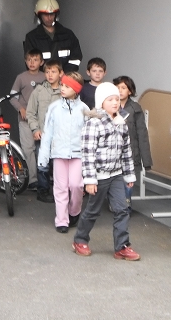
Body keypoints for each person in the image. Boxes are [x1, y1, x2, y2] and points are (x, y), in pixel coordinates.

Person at [72, 82, 140, 261]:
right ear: (101, 102)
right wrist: (90, 180)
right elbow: (87, 153)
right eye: (110, 99)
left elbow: (126, 151)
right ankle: (80, 240)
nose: (115, 102)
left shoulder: (121, 122)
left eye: (117, 99)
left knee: (122, 210)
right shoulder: (94, 123)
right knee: (93, 211)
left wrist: (129, 174)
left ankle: (122, 247)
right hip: (99, 175)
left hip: (116, 174)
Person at [38, 72, 88, 233]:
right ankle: (61, 220)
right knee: (60, 187)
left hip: (78, 154)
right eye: (62, 85)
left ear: (76, 89)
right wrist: (43, 157)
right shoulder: (54, 108)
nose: (62, 88)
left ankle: (74, 211)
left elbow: (88, 135)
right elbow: (47, 133)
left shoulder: (84, 109)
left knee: (76, 185)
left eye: (67, 86)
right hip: (59, 153)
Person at [26, 58, 63, 203]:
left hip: (60, 136)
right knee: (43, 164)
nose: (50, 75)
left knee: (58, 165)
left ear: (61, 73)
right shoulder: (39, 90)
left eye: (53, 72)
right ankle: (42, 191)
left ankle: (60, 191)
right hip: (42, 135)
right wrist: (35, 129)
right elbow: (30, 112)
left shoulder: (65, 91)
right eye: (47, 72)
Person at [114, 75, 153, 208]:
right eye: (117, 87)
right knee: (115, 180)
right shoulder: (109, 105)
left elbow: (142, 134)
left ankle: (126, 204)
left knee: (128, 180)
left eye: (123, 88)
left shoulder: (135, 108)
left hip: (131, 152)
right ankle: (117, 202)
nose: (120, 90)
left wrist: (146, 160)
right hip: (113, 151)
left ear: (130, 91)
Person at [9, 49, 45, 191]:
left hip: (43, 120)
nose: (32, 62)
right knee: (28, 149)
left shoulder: (46, 76)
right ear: (25, 61)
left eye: (35, 60)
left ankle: (45, 179)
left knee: (43, 149)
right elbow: (12, 97)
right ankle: (32, 180)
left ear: (41, 62)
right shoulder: (21, 77)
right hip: (25, 120)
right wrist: (21, 109)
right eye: (29, 59)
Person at [24, 0, 82, 72]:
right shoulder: (32, 37)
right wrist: (46, 76)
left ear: (55, 14)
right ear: (39, 16)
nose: (49, 18)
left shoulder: (68, 35)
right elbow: (30, 63)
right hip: (42, 78)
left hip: (65, 77)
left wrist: (65, 74)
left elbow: (76, 58)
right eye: (45, 14)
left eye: (52, 14)